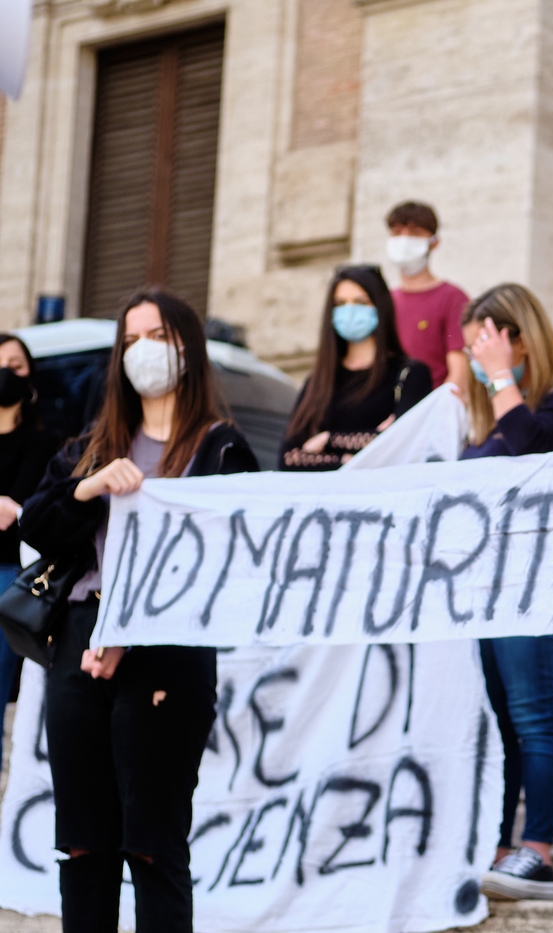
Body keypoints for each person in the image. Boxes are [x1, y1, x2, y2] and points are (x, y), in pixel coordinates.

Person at [19, 290, 259, 932]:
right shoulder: (91, 445)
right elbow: (38, 525)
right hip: (78, 644)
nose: (144, 350)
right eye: (133, 339)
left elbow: (223, 560)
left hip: (167, 655)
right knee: (83, 844)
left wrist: (130, 630)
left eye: (159, 335)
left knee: (152, 845)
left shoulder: (220, 448)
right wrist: (89, 487)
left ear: (188, 347)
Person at [462, 283, 553, 902]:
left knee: (533, 716)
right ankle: (495, 845)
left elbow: (536, 451)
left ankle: (536, 850)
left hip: (535, 587)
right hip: (484, 591)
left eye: (485, 343)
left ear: (518, 337)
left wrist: (497, 380)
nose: (477, 358)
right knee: (495, 723)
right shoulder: (487, 415)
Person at [279, 265, 432, 471]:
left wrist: (327, 440)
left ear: (380, 307)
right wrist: (346, 461)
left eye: (361, 302)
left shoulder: (409, 374)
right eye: (340, 304)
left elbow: (402, 441)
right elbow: (289, 457)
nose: (349, 311)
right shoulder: (318, 381)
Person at [0, 334, 61, 767]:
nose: (6, 372)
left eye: (16, 364)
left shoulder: (47, 443)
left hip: (14, 574)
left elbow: (26, 511)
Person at [385, 201, 471, 394]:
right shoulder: (384, 301)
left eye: (415, 233)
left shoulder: (452, 299)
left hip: (432, 412)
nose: (404, 240)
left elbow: (459, 374)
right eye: (397, 232)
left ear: (434, 241)